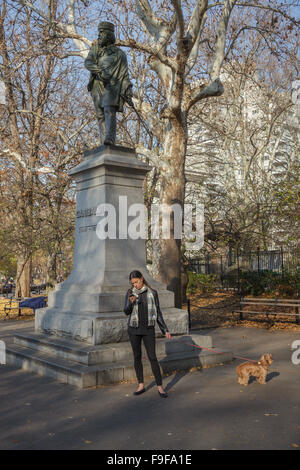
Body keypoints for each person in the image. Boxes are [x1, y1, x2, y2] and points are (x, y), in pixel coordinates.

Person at [124, 270, 172, 398]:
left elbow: (158, 313)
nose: (135, 285)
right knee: (137, 357)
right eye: (133, 283)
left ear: (141, 279)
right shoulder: (130, 293)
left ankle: (160, 387)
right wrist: (131, 302)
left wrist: (165, 329)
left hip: (148, 330)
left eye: (136, 282)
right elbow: (126, 311)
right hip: (134, 329)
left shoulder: (152, 293)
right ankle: (140, 384)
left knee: (152, 357)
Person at [84, 21, 133, 145]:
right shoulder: (96, 49)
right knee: (100, 115)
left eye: (102, 32)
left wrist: (128, 91)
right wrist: (100, 71)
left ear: (109, 34)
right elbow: (88, 63)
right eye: (98, 32)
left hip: (112, 87)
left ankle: (110, 139)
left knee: (108, 110)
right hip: (97, 85)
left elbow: (125, 75)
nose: (99, 35)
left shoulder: (120, 54)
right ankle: (103, 142)